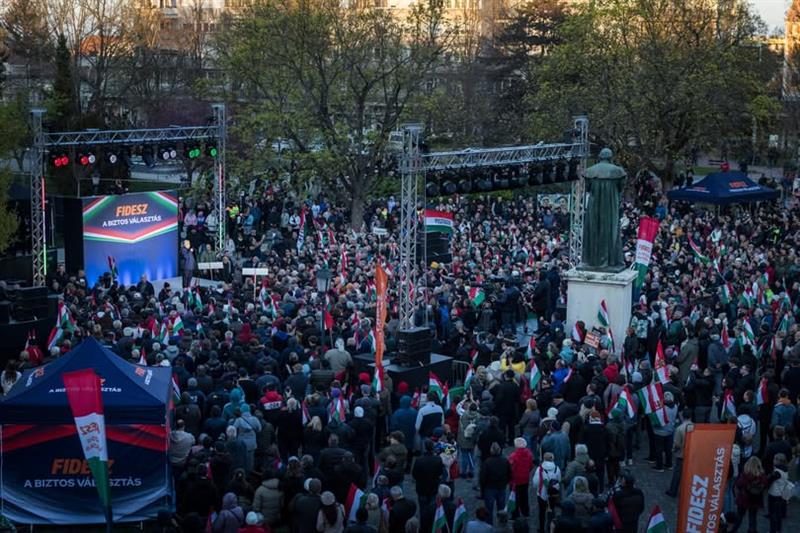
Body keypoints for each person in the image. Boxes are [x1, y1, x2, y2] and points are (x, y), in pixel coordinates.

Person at [733, 457, 770, 533]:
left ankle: (733, 530)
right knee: (753, 517)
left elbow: (739, 484)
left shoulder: (745, 475)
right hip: (756, 499)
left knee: (739, 516)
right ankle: (752, 530)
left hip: (744, 498)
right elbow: (765, 485)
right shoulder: (762, 475)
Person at [480, 442, 510, 523]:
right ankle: (502, 522)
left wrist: (483, 489)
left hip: (489, 487)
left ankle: (489, 523)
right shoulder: (505, 461)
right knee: (501, 506)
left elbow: (482, 477)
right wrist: (505, 482)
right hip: (501, 487)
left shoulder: (487, 462)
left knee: (489, 508)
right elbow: (510, 474)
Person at [532, 452, 561, 533]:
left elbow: (535, 483)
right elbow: (559, 480)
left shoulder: (540, 469)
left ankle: (541, 528)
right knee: (551, 510)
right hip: (553, 494)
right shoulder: (557, 468)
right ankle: (550, 527)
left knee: (541, 512)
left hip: (542, 494)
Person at [508, 437, 534, 518]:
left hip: (515, 480)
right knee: (524, 496)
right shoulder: (529, 454)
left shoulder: (513, 456)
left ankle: (515, 515)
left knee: (514, 498)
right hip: (525, 478)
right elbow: (531, 466)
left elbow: (511, 469)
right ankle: (525, 512)